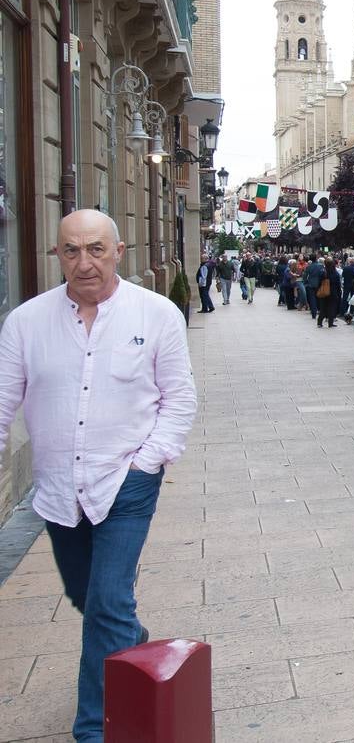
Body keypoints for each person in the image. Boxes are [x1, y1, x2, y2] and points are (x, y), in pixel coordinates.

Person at [0, 210, 196, 741]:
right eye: (71, 250)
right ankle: (129, 637)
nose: (84, 262)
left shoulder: (156, 314)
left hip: (126, 482)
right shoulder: (26, 322)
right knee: (90, 600)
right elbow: (3, 400)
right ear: (57, 255)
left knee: (107, 601)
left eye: (95, 249)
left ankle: (94, 729)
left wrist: (147, 462)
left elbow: (179, 399)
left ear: (118, 252)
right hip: (58, 488)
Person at [317, 257, 342, 328]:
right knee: (332, 307)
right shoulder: (335, 273)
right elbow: (338, 284)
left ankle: (319, 322)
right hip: (333, 292)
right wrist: (338, 292)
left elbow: (319, 282)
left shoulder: (323, 272)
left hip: (324, 292)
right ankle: (330, 323)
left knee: (323, 307)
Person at [302, 255, 325, 319]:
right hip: (319, 284)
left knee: (312, 299)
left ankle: (313, 313)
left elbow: (305, 275)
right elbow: (323, 274)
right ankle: (319, 310)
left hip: (311, 284)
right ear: (316, 258)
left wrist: (305, 282)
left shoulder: (309, 266)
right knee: (319, 298)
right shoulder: (321, 266)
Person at [341, 255, 354, 323]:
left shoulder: (346, 268)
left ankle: (343, 311)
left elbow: (343, 275)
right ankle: (352, 311)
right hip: (353, 286)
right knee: (353, 299)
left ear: (350, 262)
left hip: (346, 285)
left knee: (345, 298)